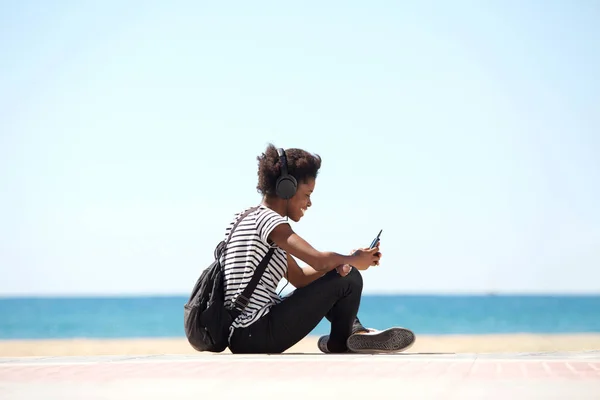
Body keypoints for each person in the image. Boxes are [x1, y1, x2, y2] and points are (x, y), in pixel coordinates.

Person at [221, 143, 415, 354]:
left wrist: (344, 262)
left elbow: (300, 278)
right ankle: (343, 341)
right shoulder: (270, 221)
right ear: (287, 188)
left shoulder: (247, 218)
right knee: (350, 278)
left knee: (341, 273)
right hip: (253, 332)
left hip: (244, 334)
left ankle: (352, 334)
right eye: (307, 194)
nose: (310, 203)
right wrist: (354, 261)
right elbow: (317, 260)